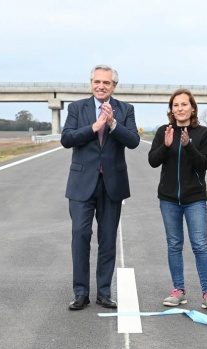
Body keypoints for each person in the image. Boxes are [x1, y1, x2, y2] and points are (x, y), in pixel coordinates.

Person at [61, 65, 140, 310]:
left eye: (106, 82)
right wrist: (93, 128)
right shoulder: (77, 108)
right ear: (91, 83)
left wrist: (114, 124)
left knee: (107, 240)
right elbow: (66, 139)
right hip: (82, 185)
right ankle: (80, 293)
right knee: (80, 236)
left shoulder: (126, 109)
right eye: (97, 81)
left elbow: (134, 141)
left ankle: (104, 292)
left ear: (114, 85)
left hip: (112, 185)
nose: (101, 86)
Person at [148, 89, 207, 311]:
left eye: (184, 104)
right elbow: (153, 161)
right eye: (176, 105)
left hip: (195, 199)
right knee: (174, 244)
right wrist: (166, 146)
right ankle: (178, 290)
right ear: (171, 109)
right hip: (169, 199)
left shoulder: (203, 133)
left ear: (192, 108)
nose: (180, 108)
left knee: (200, 245)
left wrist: (188, 145)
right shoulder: (163, 132)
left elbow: (203, 164)